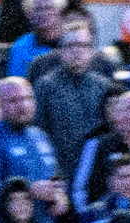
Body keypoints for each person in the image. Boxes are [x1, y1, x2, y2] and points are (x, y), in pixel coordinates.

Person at [0, 77, 64, 223]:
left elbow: (55, 176)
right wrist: (29, 191)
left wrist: (60, 195)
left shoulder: (39, 136)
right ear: (0, 106)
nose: (23, 106)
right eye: (14, 101)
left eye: (27, 98)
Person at [33, 21, 111, 178]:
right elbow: (38, 132)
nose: (77, 51)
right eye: (71, 45)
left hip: (97, 172)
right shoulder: (45, 86)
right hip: (59, 171)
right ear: (61, 51)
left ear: (91, 51)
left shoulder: (104, 87)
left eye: (83, 45)